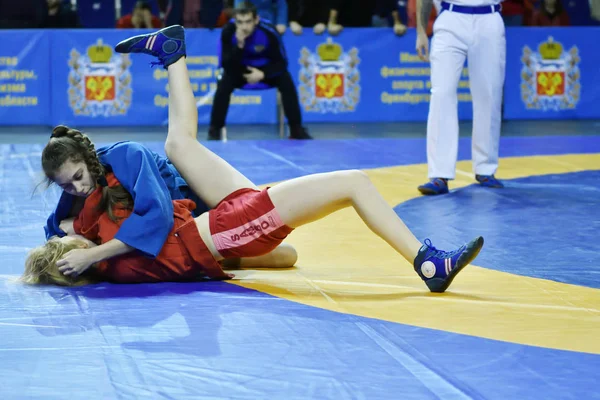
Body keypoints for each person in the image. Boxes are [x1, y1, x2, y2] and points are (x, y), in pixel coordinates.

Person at [22, 25, 485, 293]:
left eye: (77, 179)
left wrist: (62, 242)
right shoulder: (108, 257)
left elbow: (70, 224)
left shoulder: (96, 226)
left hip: (213, 218)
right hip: (221, 224)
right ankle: (428, 264)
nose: (75, 193)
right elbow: (134, 225)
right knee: (355, 183)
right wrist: (77, 249)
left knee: (179, 147)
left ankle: (172, 54)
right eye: (67, 187)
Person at [415, 0, 506, 195]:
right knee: (441, 93)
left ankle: (485, 168)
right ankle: (439, 173)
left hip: (489, 18)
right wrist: (421, 31)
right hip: (450, 17)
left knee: (489, 94)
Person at [209, 1, 312, 140]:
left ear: (256, 20)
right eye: (240, 22)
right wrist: (239, 45)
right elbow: (226, 64)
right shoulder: (228, 31)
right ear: (235, 21)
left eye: (248, 22)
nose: (244, 27)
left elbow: (282, 62)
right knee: (223, 83)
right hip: (239, 70)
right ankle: (215, 130)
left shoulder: (269, 31)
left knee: (286, 81)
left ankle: (296, 129)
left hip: (265, 71)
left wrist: (263, 73)